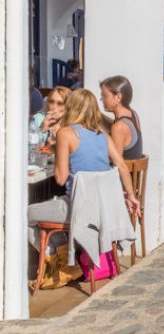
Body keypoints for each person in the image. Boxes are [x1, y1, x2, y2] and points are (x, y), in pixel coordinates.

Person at [28, 89, 140, 247]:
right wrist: (130, 196)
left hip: (76, 208)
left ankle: (50, 254)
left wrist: (61, 153)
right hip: (101, 210)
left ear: (71, 107)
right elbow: (121, 165)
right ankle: (61, 253)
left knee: (21, 214)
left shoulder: (65, 133)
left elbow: (60, 179)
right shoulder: (104, 136)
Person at [100, 75, 144, 161]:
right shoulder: (132, 114)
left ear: (118, 97)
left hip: (123, 173)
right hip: (133, 173)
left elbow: (115, 164)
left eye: (105, 96)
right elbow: (114, 125)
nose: (101, 99)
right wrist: (97, 114)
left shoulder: (119, 127)